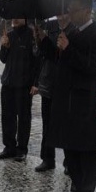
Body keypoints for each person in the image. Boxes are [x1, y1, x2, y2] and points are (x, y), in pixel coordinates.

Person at [46, 0, 96, 192]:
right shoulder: (71, 32)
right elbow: (59, 61)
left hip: (83, 101)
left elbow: (91, 67)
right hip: (66, 100)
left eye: (74, 10)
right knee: (69, 146)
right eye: (70, 10)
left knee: (85, 149)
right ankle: (75, 190)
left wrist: (68, 48)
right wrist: (45, 42)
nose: (70, 14)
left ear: (87, 11)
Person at [0, 18, 40, 162]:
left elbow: (37, 61)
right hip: (8, 81)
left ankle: (22, 149)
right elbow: (3, 59)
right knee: (7, 116)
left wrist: (36, 83)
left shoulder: (32, 35)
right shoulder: (9, 34)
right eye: (13, 16)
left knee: (23, 118)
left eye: (19, 16)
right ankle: (9, 146)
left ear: (26, 18)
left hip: (24, 84)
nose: (14, 19)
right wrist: (4, 46)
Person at [34, 18, 60, 172]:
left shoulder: (68, 31)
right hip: (47, 83)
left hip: (61, 84)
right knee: (47, 124)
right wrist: (39, 39)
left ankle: (69, 162)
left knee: (64, 124)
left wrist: (44, 39)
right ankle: (47, 158)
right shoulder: (49, 26)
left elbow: (56, 55)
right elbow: (40, 55)